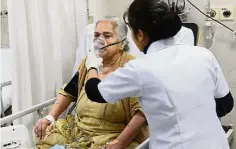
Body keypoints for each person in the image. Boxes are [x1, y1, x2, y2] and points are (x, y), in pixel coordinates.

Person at [84, 0, 234, 149]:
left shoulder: (140, 68)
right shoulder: (204, 55)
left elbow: (95, 92)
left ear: (140, 35)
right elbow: (226, 104)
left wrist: (92, 64)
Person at [33, 16, 149, 149]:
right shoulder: (87, 63)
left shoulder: (130, 67)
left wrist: (120, 142)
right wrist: (50, 117)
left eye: (107, 35)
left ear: (122, 43)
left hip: (110, 134)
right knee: (40, 132)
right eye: (96, 35)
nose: (100, 41)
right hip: (77, 130)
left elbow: (142, 111)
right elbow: (69, 91)